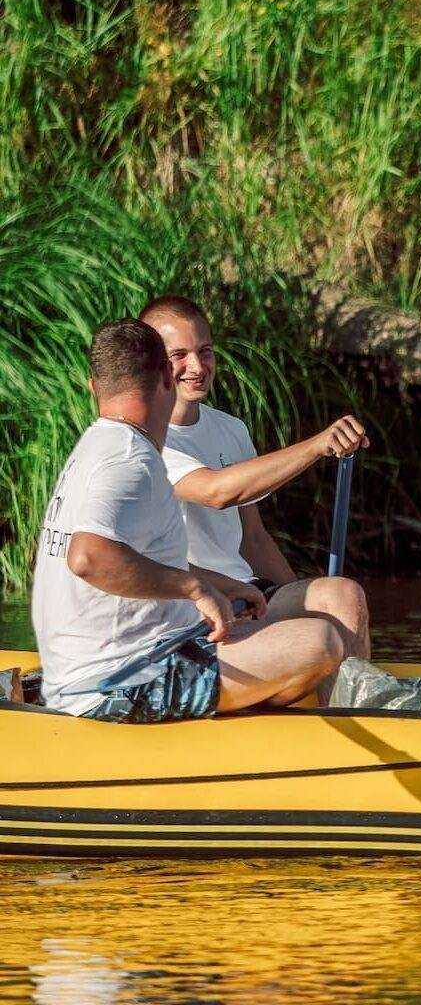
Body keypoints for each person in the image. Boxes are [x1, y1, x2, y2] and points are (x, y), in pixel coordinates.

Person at [32, 319, 347, 720]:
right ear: (166, 377)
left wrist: (222, 584)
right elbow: (88, 557)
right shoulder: (130, 459)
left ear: (93, 386)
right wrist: (196, 588)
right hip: (120, 684)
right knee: (318, 641)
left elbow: (136, 557)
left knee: (319, 620)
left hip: (131, 661)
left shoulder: (96, 446)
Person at [138, 295, 370, 670]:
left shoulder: (231, 429)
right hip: (192, 607)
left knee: (343, 593)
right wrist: (317, 445)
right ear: (151, 362)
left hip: (248, 594)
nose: (197, 366)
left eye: (205, 351)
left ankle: (356, 706)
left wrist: (306, 602)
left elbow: (254, 539)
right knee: (318, 630)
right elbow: (217, 492)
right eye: (178, 354)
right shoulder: (147, 437)